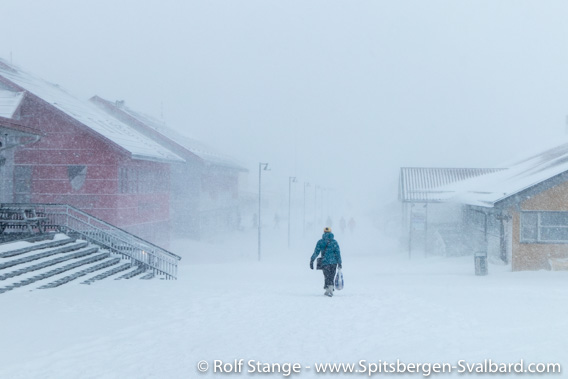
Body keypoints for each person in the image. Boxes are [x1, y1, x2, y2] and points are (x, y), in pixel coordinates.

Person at [309, 227, 342, 297]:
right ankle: (330, 288)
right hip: (333, 262)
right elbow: (338, 253)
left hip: (325, 262)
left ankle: (327, 288)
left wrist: (312, 260)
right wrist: (339, 262)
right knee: (332, 275)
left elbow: (316, 252)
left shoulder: (320, 242)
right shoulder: (334, 242)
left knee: (326, 276)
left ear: (324, 233)